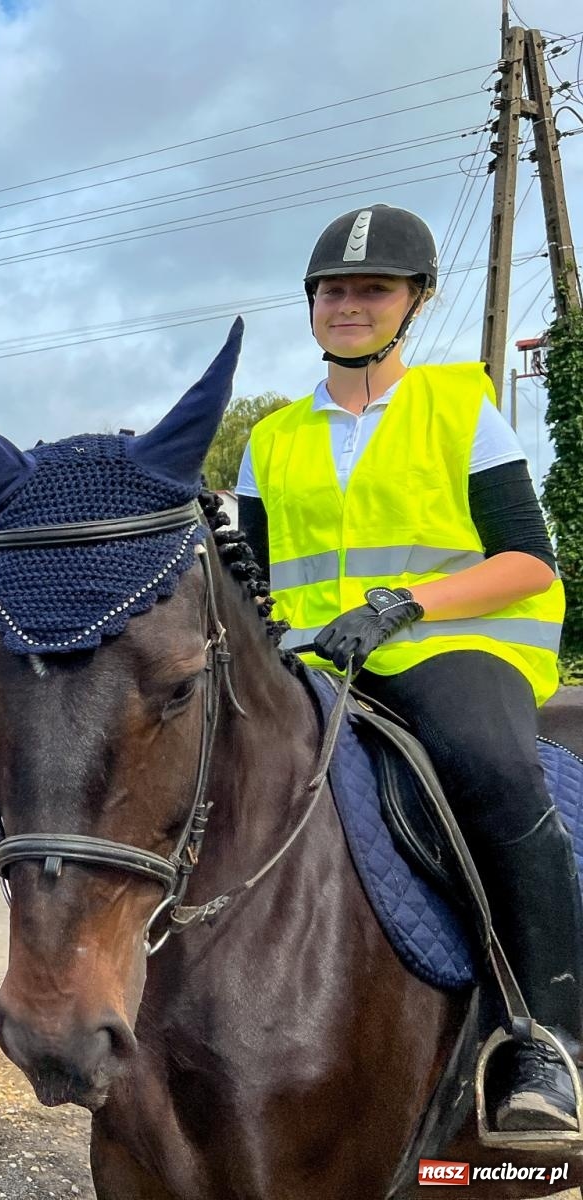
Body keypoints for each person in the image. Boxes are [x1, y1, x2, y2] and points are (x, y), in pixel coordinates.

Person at [237, 204, 575, 1134]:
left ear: (413, 302)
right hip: (315, 661)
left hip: (447, 647)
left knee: (495, 771)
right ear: (311, 304)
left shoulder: (460, 407)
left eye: (373, 288)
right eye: (334, 290)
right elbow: (257, 583)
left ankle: (546, 1040)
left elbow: (530, 561)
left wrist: (405, 603)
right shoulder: (272, 441)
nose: (350, 305)